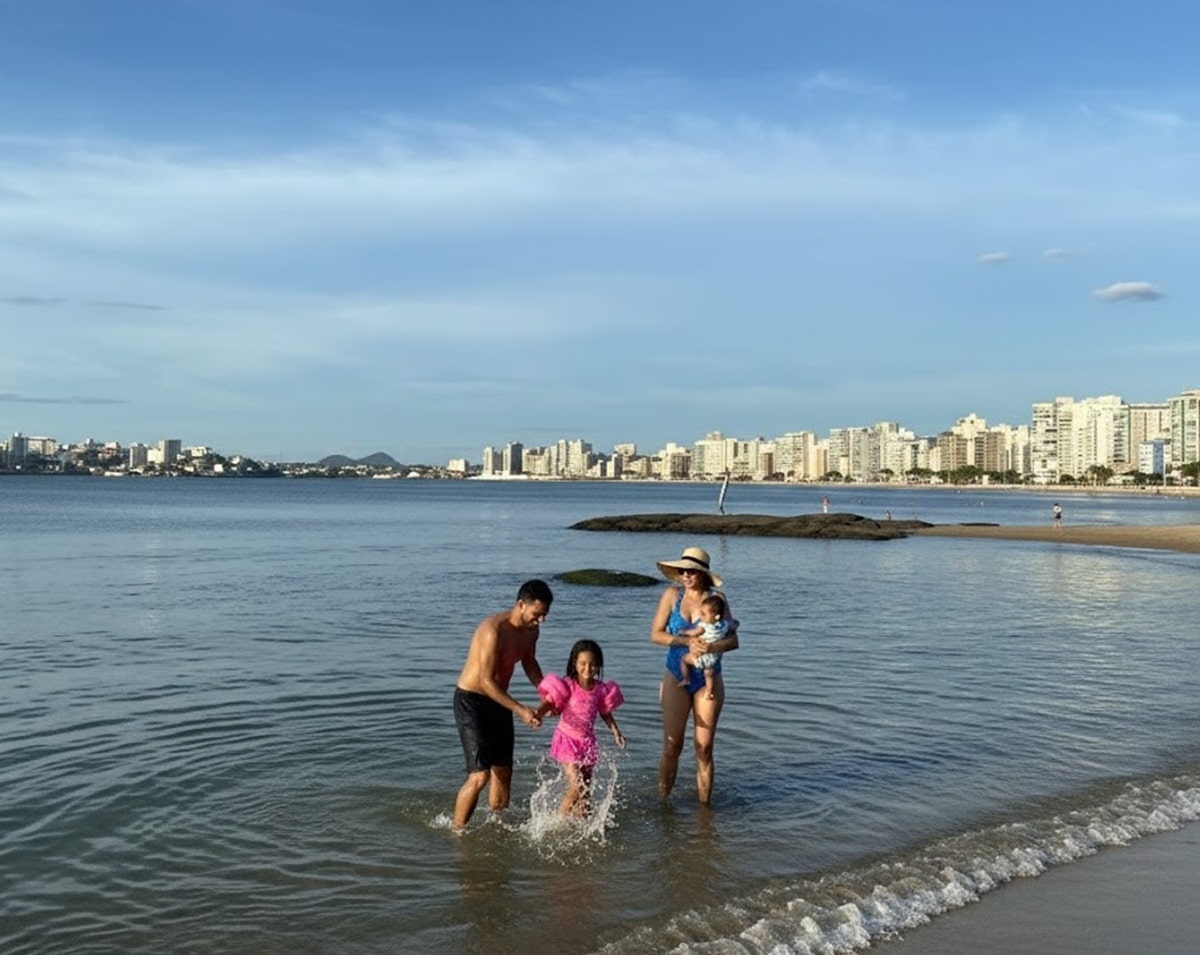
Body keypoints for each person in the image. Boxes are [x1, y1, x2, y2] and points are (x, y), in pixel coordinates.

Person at [452, 579, 553, 831]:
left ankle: (498, 827)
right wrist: (520, 710)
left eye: (544, 615)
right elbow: (485, 681)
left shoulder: (532, 631)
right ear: (521, 605)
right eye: (537, 614)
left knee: (503, 772)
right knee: (480, 775)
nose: (540, 620)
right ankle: (457, 833)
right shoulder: (493, 630)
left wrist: (546, 693)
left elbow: (529, 662)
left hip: (499, 699)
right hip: (472, 700)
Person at [650, 546, 739, 803]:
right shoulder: (671, 595)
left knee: (704, 748)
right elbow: (655, 634)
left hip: (709, 677)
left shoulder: (717, 599)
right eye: (682, 571)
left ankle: (704, 813)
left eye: (692, 571)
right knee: (672, 745)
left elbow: (734, 640)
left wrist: (711, 647)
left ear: (703, 574)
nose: (686, 575)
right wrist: (685, 642)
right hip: (676, 673)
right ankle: (663, 803)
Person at [536, 639, 626, 817]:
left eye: (592, 664)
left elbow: (605, 712)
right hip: (567, 739)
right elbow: (550, 702)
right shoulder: (568, 685)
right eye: (583, 663)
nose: (587, 668)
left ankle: (583, 825)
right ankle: (558, 823)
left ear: (598, 666)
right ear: (574, 664)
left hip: (587, 743)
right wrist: (538, 713)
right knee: (576, 785)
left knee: (585, 791)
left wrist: (616, 731)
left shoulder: (600, 689)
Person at [676, 593, 729, 701]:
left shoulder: (704, 627)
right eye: (701, 612)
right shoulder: (723, 626)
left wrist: (683, 632)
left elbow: (692, 633)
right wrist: (736, 624)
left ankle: (686, 678)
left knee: (684, 660)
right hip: (713, 659)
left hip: (700, 657)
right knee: (708, 674)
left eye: (704, 614)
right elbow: (732, 626)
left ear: (716, 616)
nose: (701, 616)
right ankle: (709, 691)